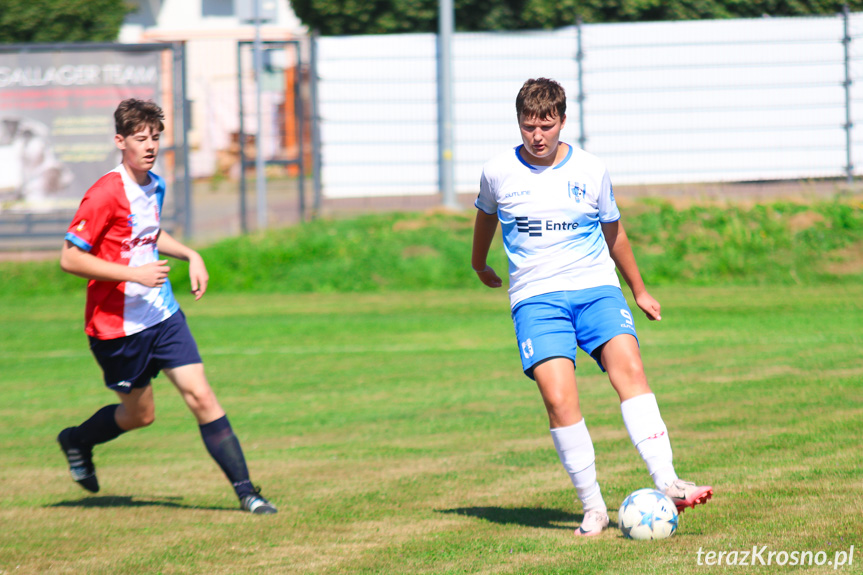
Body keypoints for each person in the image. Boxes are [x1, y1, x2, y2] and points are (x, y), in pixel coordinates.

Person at [471, 78, 711, 536]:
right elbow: (484, 216)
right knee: (559, 399)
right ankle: (594, 507)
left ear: (563, 121)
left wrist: (638, 289)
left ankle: (668, 480)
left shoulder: (591, 170)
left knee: (630, 368)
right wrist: (478, 262)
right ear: (518, 123)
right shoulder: (498, 171)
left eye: (546, 124)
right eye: (528, 125)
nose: (537, 135)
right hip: (536, 300)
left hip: (596, 289)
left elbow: (613, 232)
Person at [57, 99, 277, 515]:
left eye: (156, 137)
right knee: (140, 416)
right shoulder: (105, 192)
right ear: (120, 141)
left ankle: (248, 493)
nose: (150, 146)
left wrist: (191, 254)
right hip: (116, 328)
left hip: (162, 315)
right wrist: (132, 275)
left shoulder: (154, 183)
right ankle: (77, 440)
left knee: (201, 396)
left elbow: (149, 232)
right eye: (140, 138)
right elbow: (70, 258)